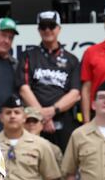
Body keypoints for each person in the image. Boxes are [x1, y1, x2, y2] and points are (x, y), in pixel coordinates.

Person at [16, 10, 81, 152]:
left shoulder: (72, 59)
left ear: (59, 28)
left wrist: (51, 111)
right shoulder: (28, 55)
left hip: (63, 120)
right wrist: (42, 116)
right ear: (38, 29)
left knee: (65, 164)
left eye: (51, 26)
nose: (47, 30)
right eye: (43, 27)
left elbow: (75, 93)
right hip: (33, 121)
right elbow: (23, 88)